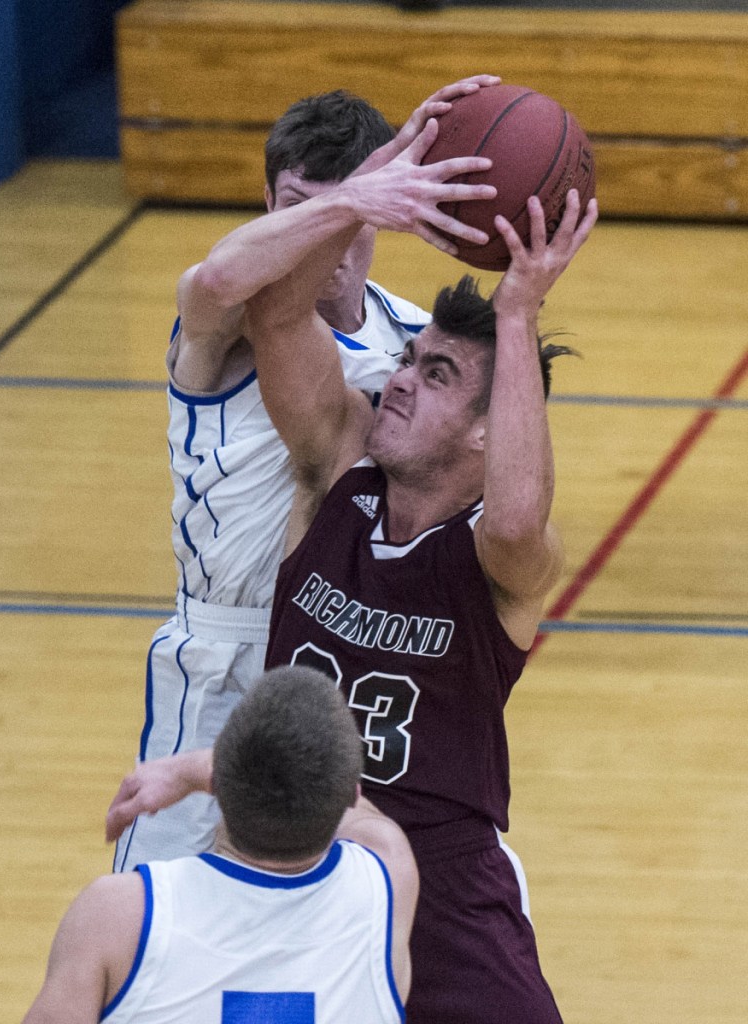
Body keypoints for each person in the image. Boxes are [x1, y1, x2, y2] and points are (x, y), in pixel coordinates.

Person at [107, 155, 597, 1022]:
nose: (399, 377)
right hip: (293, 850)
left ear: (487, 432)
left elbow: (519, 519)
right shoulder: (337, 471)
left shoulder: (498, 563)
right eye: (410, 359)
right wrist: (357, 199)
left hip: (441, 872)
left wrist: (518, 310)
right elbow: (276, 308)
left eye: (436, 375)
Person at [114, 76, 501, 871]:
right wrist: (356, 198)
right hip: (223, 653)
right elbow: (217, 282)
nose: (321, 234)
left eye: (351, 209)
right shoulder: (223, 314)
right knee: (169, 936)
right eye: (296, 204)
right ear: (266, 201)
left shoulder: (410, 334)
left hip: (352, 658)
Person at [24, 666, 419, 1024]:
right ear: (351, 793)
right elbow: (356, 810)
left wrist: (193, 768)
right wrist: (198, 772)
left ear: (218, 784)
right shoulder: (386, 881)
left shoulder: (116, 915)